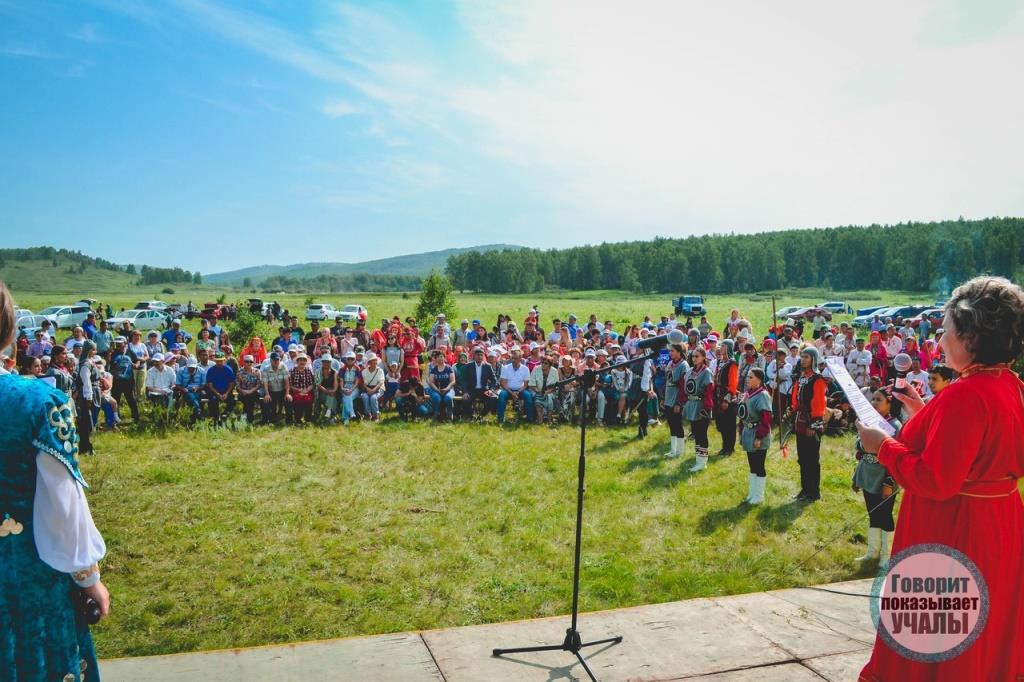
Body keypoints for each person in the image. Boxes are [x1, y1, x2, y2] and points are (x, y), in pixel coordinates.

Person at [856, 276, 1024, 681]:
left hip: (955, 529)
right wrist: (924, 416)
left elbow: (936, 481)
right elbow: (979, 450)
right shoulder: (1011, 386)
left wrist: (882, 446)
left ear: (969, 336)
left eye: (946, 330)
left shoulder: (965, 393)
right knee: (985, 627)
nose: (940, 338)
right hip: (999, 524)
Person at [0, 285, 110, 682]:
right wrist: (88, 577)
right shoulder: (40, 401)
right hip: (27, 577)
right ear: (11, 334)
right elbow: (62, 507)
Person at [851, 389, 902, 566]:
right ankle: (872, 552)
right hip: (868, 473)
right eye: (872, 399)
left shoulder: (894, 426)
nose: (873, 402)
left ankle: (886, 556)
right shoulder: (869, 423)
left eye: (878, 399)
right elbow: (859, 444)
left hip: (884, 476)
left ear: (889, 403)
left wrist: (889, 482)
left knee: (885, 515)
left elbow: (896, 456)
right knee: (872, 513)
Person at [790, 346, 827, 502]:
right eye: (802, 356)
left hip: (812, 422)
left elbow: (819, 403)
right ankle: (805, 489)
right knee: (802, 457)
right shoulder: (802, 377)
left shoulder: (817, 379)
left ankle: (814, 491)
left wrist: (813, 425)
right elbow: (795, 398)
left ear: (813, 359)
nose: (803, 359)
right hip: (800, 420)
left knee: (811, 458)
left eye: (806, 357)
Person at [738, 367, 772, 504]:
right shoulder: (748, 393)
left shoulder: (762, 395)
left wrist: (759, 437)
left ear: (759, 380)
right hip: (748, 432)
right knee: (752, 465)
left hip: (758, 433)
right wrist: (741, 428)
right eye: (747, 377)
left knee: (759, 465)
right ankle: (752, 493)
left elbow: (766, 418)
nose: (748, 379)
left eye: (751, 377)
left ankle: (759, 496)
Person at [683, 347, 715, 472]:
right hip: (692, 404)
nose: (694, 359)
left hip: (702, 405)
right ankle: (698, 460)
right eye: (693, 356)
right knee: (696, 433)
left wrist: (707, 408)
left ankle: (702, 462)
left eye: (697, 356)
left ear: (703, 357)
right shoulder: (690, 371)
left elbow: (709, 390)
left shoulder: (706, 372)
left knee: (701, 434)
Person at [661, 343, 689, 458]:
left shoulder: (684, 365)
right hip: (668, 397)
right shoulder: (670, 363)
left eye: (672, 351)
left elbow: (683, 386)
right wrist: (663, 398)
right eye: (670, 351)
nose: (670, 353)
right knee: (671, 424)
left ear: (679, 351)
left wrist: (679, 403)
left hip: (676, 399)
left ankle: (680, 451)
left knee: (677, 424)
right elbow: (666, 381)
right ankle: (673, 450)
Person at [713, 339, 740, 456]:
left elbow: (733, 384)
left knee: (729, 424)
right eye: (721, 345)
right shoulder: (720, 361)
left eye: (723, 345)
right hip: (718, 396)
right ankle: (724, 447)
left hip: (727, 398)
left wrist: (726, 400)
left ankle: (729, 448)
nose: (721, 347)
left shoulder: (732, 363)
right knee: (721, 424)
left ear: (728, 347)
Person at [498, 348, 533, 424]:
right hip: (508, 390)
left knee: (528, 396)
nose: (513, 360)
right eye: (512, 358)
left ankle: (530, 419)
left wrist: (517, 392)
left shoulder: (525, 369)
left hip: (520, 390)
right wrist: (511, 393)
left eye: (515, 358)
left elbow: (526, 384)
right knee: (502, 395)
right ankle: (500, 419)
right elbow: (503, 383)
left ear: (520, 358)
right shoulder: (505, 367)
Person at [460, 347, 497, 419]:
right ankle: (471, 416)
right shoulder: (468, 366)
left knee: (494, 398)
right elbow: (463, 381)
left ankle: (481, 416)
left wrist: (491, 390)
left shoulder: (487, 366)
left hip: (484, 390)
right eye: (478, 355)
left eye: (481, 355)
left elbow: (494, 380)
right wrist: (465, 392)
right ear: (474, 356)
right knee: (465, 399)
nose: (479, 357)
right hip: (471, 390)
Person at [109, 337, 140, 423]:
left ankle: (136, 417)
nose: (119, 347)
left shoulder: (130, 352)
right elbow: (108, 363)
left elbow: (137, 361)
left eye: (121, 345)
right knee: (116, 400)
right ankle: (116, 418)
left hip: (128, 381)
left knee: (131, 399)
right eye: (117, 345)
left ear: (125, 344)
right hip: (116, 381)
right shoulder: (113, 353)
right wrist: (109, 353)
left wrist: (136, 365)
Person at [205, 352, 236, 422]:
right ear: (215, 360)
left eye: (221, 361)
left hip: (226, 391)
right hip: (214, 391)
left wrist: (227, 393)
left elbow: (232, 383)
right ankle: (215, 418)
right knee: (213, 401)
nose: (219, 362)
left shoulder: (228, 370)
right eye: (218, 361)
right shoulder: (211, 371)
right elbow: (210, 385)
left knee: (232, 401)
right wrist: (217, 394)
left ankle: (225, 414)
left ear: (224, 360)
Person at [426, 351, 456, 422]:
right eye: (438, 357)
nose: (440, 358)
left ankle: (449, 413)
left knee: (448, 398)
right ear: (435, 359)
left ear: (444, 358)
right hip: (436, 389)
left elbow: (453, 381)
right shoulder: (434, 369)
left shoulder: (449, 368)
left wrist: (447, 388)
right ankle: (436, 413)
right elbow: (431, 382)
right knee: (436, 397)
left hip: (448, 389)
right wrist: (437, 390)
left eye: (442, 357)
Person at [174, 356, 207, 422]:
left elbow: (204, 384)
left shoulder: (202, 371)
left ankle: (195, 415)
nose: (191, 369)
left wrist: (198, 388)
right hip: (185, 390)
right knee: (190, 395)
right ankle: (198, 412)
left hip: (198, 390)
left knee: (193, 397)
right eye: (190, 367)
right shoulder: (181, 371)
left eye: (193, 367)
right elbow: (177, 384)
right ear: (187, 365)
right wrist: (183, 389)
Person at [530, 354, 560, 423]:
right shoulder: (536, 369)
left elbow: (556, 386)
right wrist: (538, 391)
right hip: (537, 391)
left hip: (551, 392)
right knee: (537, 399)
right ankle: (540, 419)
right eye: (542, 362)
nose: (543, 364)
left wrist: (549, 391)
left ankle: (549, 419)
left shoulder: (554, 371)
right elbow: (531, 384)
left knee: (549, 397)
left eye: (545, 363)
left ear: (550, 364)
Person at [261, 352, 290, 425]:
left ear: (280, 360)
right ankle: (266, 421)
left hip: (282, 390)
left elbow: (287, 382)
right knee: (266, 401)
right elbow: (265, 383)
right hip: (271, 391)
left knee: (288, 399)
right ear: (270, 361)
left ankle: (289, 420)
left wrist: (287, 394)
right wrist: (267, 394)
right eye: (274, 360)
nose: (276, 361)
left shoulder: (283, 366)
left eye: (277, 360)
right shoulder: (265, 369)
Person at [287, 353, 315, 425]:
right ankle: (298, 420)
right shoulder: (292, 371)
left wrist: (307, 390)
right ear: (297, 361)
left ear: (306, 362)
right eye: (300, 360)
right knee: (298, 400)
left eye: (304, 360)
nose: (302, 362)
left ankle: (307, 419)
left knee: (309, 400)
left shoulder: (308, 370)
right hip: (296, 391)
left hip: (307, 390)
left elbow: (312, 383)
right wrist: (299, 390)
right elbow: (290, 385)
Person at [236, 354, 263, 423]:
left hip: (254, 392)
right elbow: (237, 386)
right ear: (243, 362)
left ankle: (247, 417)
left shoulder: (257, 371)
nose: (249, 363)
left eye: (251, 362)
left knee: (253, 398)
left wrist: (250, 391)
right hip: (243, 393)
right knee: (249, 399)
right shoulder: (239, 372)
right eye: (247, 361)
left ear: (253, 362)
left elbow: (259, 384)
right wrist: (243, 391)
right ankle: (249, 419)